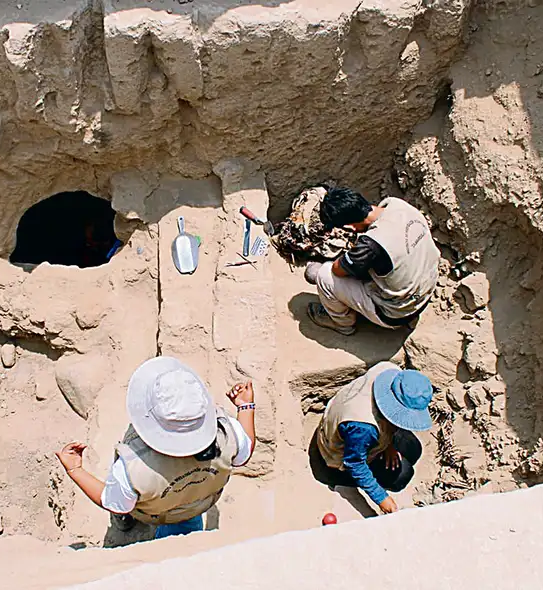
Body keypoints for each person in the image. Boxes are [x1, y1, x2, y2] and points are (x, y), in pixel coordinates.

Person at [56, 356, 257, 539]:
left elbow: (111, 502)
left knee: (128, 494)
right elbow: (245, 450)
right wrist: (245, 406)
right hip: (196, 501)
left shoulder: (132, 467)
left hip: (157, 511)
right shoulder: (228, 434)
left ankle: (130, 516)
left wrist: (75, 469)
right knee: (185, 512)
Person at [305, 187, 440, 335]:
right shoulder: (397, 205)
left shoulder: (371, 245)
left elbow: (337, 270)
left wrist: (347, 259)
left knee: (322, 274)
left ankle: (343, 325)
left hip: (397, 313)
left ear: (349, 226)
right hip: (425, 290)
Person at [309, 361, 433, 514]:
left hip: (350, 425)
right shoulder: (363, 427)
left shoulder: (390, 371)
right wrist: (381, 498)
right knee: (403, 475)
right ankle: (338, 480)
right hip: (335, 456)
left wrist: (389, 445)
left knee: (414, 448)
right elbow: (354, 463)